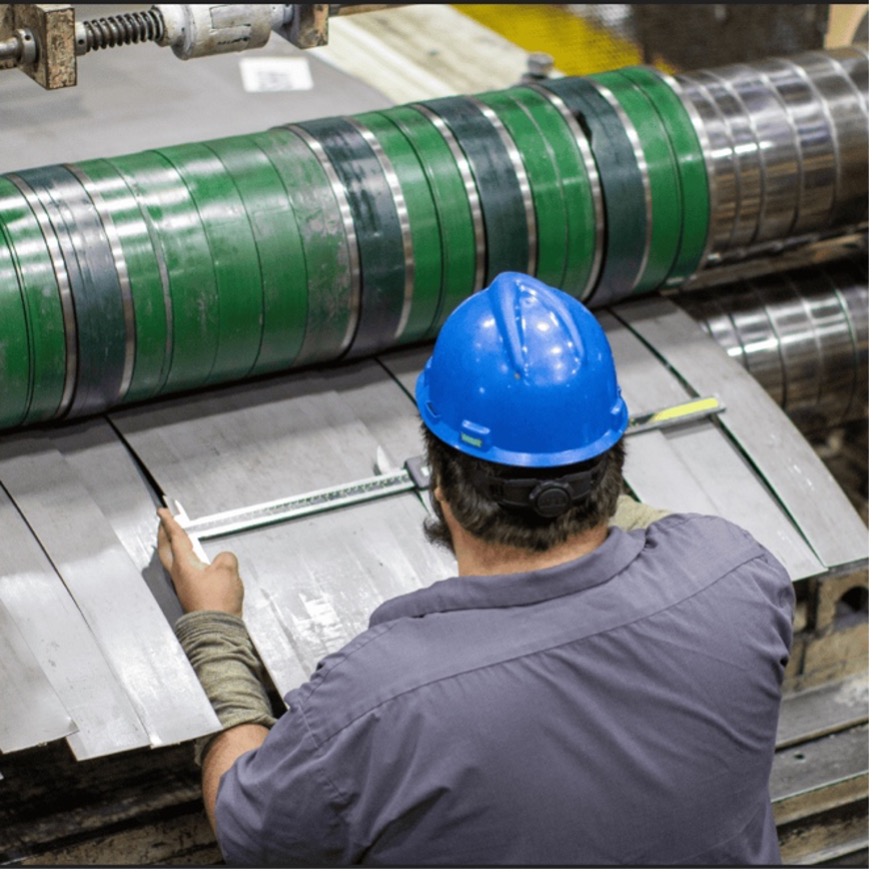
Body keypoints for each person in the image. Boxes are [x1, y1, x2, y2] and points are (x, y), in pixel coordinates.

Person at [157, 271, 795, 866]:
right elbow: (660, 536)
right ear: (613, 460)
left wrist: (215, 632)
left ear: (441, 484)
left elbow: (247, 826)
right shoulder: (739, 573)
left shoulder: (374, 705)